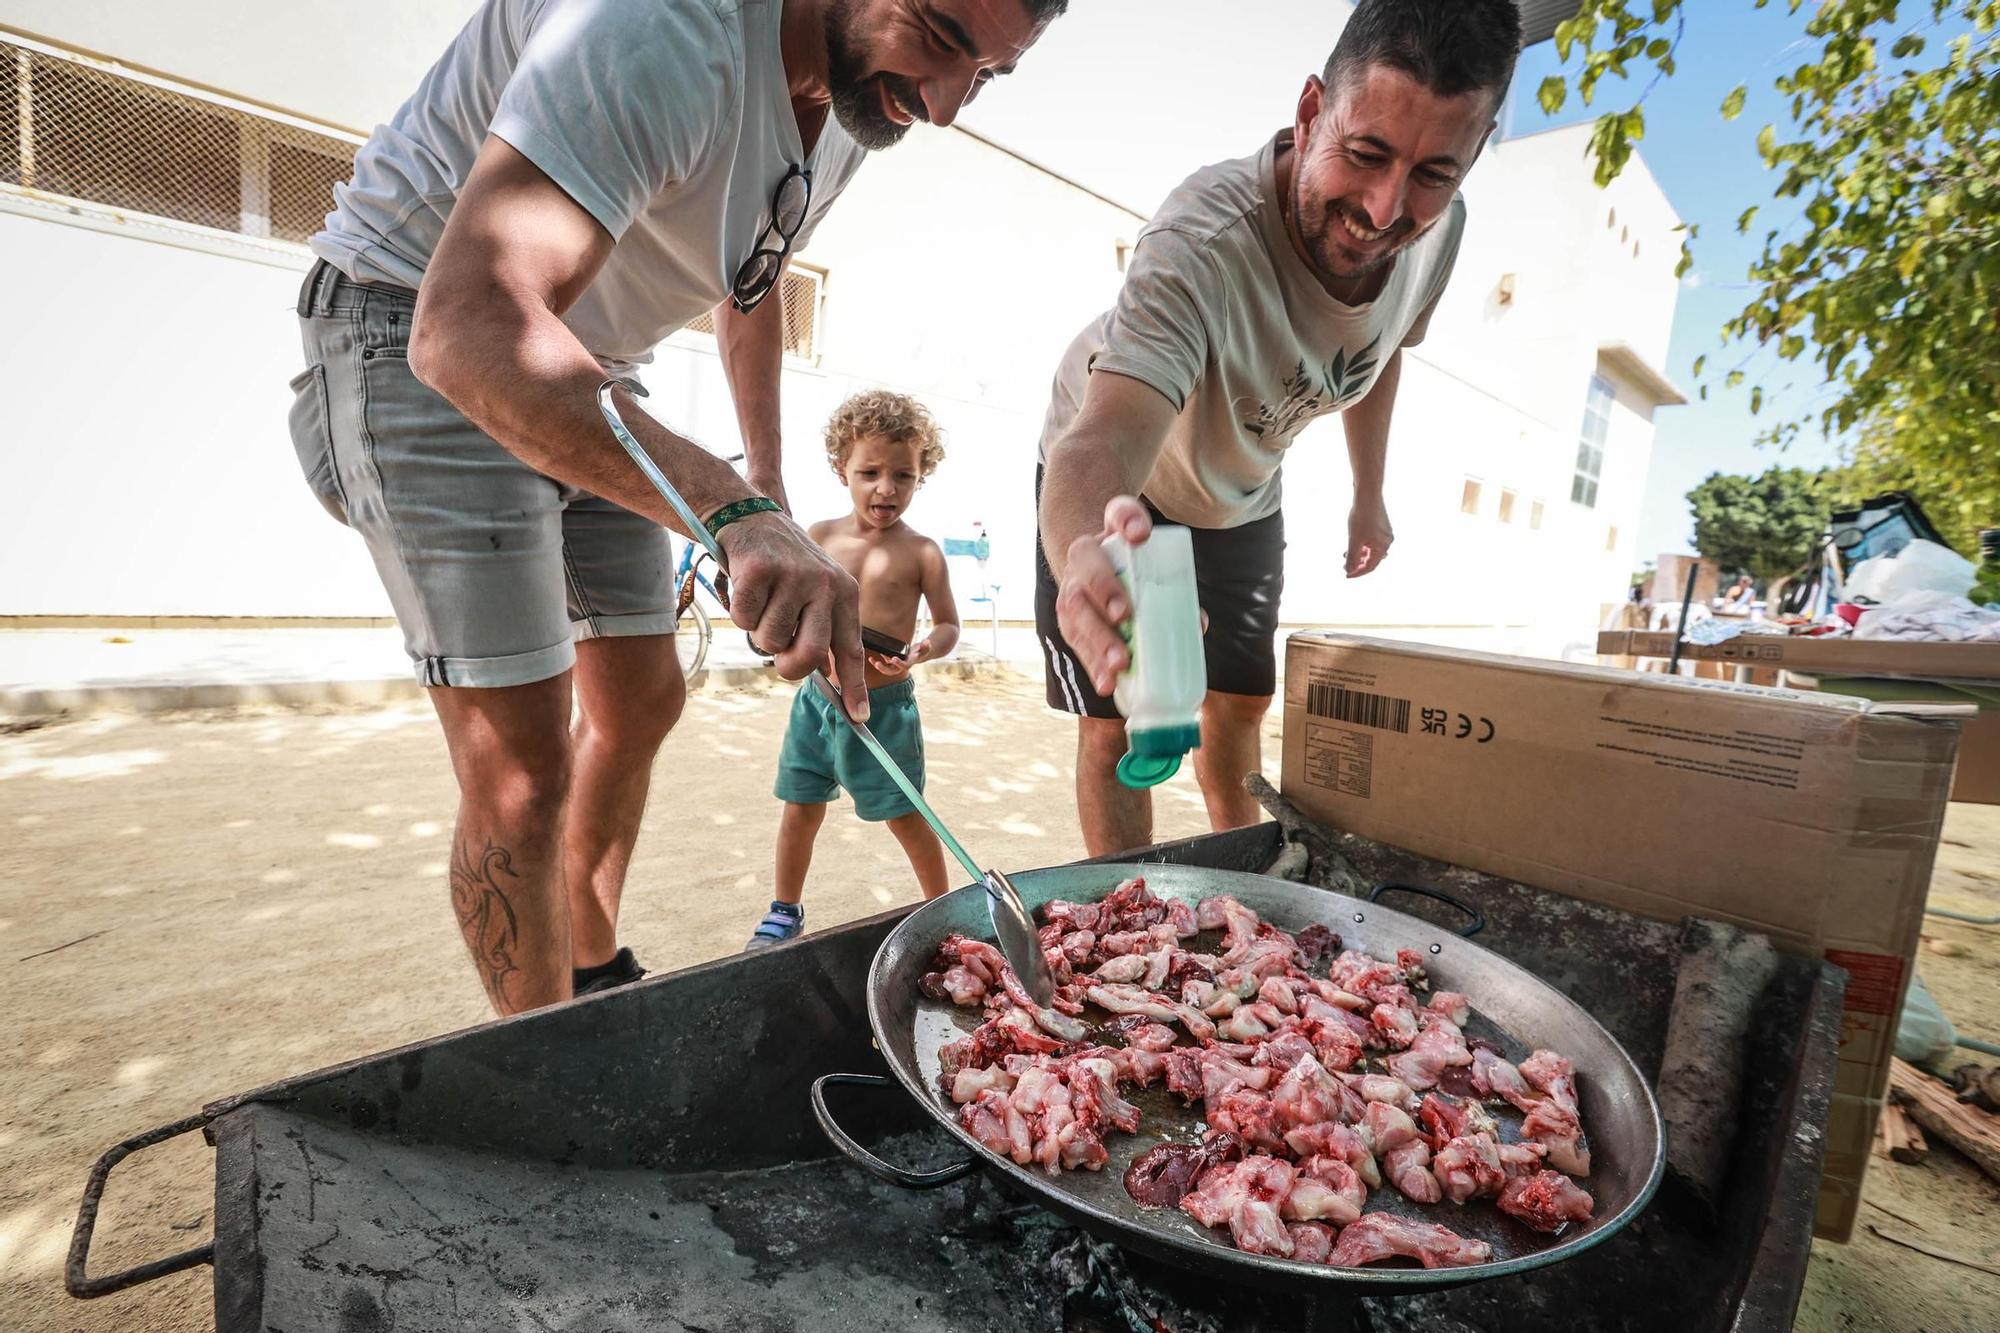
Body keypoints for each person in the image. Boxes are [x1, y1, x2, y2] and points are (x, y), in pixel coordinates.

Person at [286, 0, 1063, 1014]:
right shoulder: (660, 26)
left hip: (593, 368)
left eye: (988, 74)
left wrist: (764, 495)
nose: (947, 104)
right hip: (416, 325)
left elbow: (754, 279)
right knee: (523, 767)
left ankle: (591, 975)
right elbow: (466, 325)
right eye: (941, 34)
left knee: (641, 698)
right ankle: (549, 1060)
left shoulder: (860, 94)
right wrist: (728, 509)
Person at [1035, 0, 1521, 856]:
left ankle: (1255, 894)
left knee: (1239, 708)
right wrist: (1083, 554)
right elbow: (1101, 438)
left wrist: (1369, 494)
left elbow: (1385, 349)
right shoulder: (1202, 240)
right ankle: (1123, 907)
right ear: (1309, 111)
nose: (1385, 209)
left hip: (1247, 489)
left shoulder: (1439, 235)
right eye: (1364, 154)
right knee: (1120, 723)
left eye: (1433, 173)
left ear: (1473, 156)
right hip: (1128, 494)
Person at [748, 391, 961, 947]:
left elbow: (947, 625)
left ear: (920, 476)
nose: (886, 488)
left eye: (903, 476)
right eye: (870, 472)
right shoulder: (817, 537)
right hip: (817, 701)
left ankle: (940, 910)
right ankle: (784, 909)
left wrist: (922, 649)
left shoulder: (923, 552)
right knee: (800, 808)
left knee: (906, 815)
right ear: (841, 467)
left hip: (884, 712)